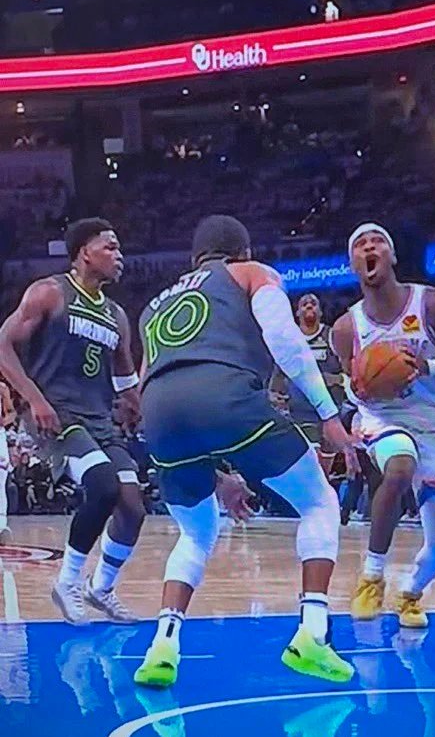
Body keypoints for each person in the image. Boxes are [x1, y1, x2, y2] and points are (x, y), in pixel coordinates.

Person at [135, 214, 358, 688]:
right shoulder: (251, 273)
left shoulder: (152, 308)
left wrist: (219, 475)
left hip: (159, 414)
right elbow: (286, 342)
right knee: (319, 501)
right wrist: (328, 414)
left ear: (194, 258)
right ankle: (313, 634)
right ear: (244, 252)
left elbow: (149, 383)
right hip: (226, 396)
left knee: (196, 533)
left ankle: (163, 646)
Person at [331, 223, 435, 628]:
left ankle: (411, 592)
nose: (369, 247)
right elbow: (350, 383)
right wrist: (359, 388)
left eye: (377, 241)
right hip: (384, 418)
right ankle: (371, 577)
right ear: (353, 265)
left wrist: (431, 367)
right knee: (399, 468)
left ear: (392, 256)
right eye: (360, 245)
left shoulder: (434, 304)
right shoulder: (346, 329)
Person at [0, 218, 144, 624]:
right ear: (85, 253)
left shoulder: (117, 315)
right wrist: (34, 399)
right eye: (110, 247)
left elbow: (125, 377)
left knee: (133, 508)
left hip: (99, 418)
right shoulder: (50, 292)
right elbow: (3, 345)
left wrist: (138, 405)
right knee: (103, 486)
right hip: (56, 415)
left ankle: (101, 588)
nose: (119, 256)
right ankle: (67, 583)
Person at [269, 293, 345, 476]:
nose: (309, 306)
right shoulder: (290, 341)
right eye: (304, 304)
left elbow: (350, 371)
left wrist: (336, 379)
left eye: (313, 303)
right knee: (314, 461)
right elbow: (277, 377)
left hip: (332, 412)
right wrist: (274, 395)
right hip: (301, 412)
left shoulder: (332, 336)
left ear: (320, 312)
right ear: (297, 313)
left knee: (325, 469)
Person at [0, 380, 16, 543]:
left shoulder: (2, 388)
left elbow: (12, 413)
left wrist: (4, 421)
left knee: (1, 479)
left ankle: (1, 525)